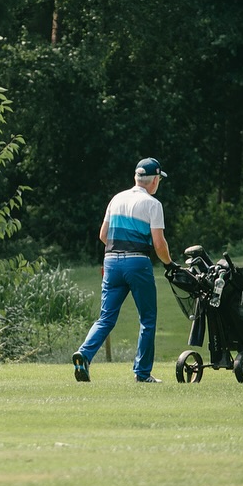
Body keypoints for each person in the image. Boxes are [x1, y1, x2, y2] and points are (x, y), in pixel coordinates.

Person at [73, 158, 172, 383]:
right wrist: (169, 263)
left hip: (111, 262)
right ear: (155, 180)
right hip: (137, 263)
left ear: (136, 178)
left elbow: (102, 235)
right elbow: (159, 244)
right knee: (147, 319)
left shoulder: (117, 198)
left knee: (106, 318)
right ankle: (142, 373)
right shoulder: (152, 204)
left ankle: (84, 354)